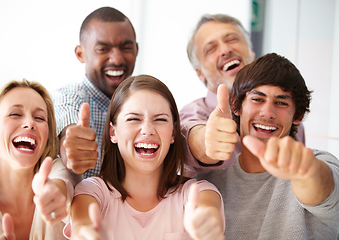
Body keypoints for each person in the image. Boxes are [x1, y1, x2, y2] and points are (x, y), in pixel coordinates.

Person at [197, 53, 339, 239]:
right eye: (257, 99)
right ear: (236, 105)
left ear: (298, 114)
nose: (267, 113)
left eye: (281, 102)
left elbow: (322, 189)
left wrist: (306, 172)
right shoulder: (209, 182)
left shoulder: (318, 162)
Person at [66, 75, 225, 240]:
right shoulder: (92, 191)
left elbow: (208, 212)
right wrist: (87, 233)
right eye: (134, 119)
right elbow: (82, 226)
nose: (147, 129)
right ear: (113, 132)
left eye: (161, 119)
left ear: (173, 133)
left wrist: (208, 225)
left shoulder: (198, 193)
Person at [180, 13, 305, 175]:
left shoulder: (286, 116)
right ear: (200, 74)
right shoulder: (193, 113)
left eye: (232, 39)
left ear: (251, 52)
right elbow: (190, 136)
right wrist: (206, 141)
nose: (225, 50)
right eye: (211, 48)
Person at [0, 79, 78, 239]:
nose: (30, 123)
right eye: (15, 114)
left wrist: (54, 195)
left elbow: (61, 187)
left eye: (39, 118)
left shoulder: (56, 169)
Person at [53, 6, 139, 178]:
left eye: (126, 48)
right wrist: (71, 144)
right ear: (80, 54)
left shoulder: (146, 101)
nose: (116, 59)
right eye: (103, 49)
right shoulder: (70, 96)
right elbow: (68, 126)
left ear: (136, 49)